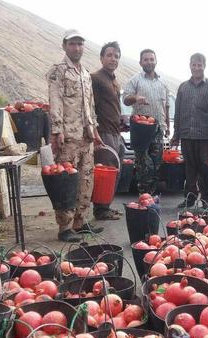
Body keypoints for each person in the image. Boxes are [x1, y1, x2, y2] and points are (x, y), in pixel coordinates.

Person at [46, 29, 104, 242]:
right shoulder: (58, 71)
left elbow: (90, 105)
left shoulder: (85, 74)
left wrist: (95, 130)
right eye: (72, 44)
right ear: (64, 46)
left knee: (86, 180)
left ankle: (80, 222)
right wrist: (56, 130)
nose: (77, 48)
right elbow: (55, 101)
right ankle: (65, 228)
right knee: (67, 182)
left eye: (80, 44)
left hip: (86, 136)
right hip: (68, 137)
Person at [170, 53, 208, 209]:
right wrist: (176, 134)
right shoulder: (183, 87)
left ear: (204, 66)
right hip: (187, 135)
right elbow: (177, 113)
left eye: (199, 65)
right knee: (190, 169)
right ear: (190, 66)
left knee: (206, 168)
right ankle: (190, 198)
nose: (197, 67)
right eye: (194, 64)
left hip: (206, 136)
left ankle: (206, 199)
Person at [123, 49, 170, 196]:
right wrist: (135, 98)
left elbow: (166, 106)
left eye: (151, 59)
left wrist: (167, 124)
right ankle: (143, 196)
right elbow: (125, 99)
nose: (149, 62)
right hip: (141, 131)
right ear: (141, 62)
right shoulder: (135, 80)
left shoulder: (163, 82)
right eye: (146, 59)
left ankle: (153, 197)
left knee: (156, 164)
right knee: (144, 165)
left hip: (158, 129)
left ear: (156, 61)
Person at [91, 41, 126, 221]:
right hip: (103, 132)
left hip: (116, 132)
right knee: (105, 172)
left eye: (116, 56)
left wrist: (121, 119)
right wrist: (94, 132)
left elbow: (113, 106)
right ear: (102, 57)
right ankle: (100, 209)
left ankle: (107, 206)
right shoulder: (95, 78)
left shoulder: (114, 81)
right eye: (109, 55)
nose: (113, 59)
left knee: (115, 172)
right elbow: (90, 106)